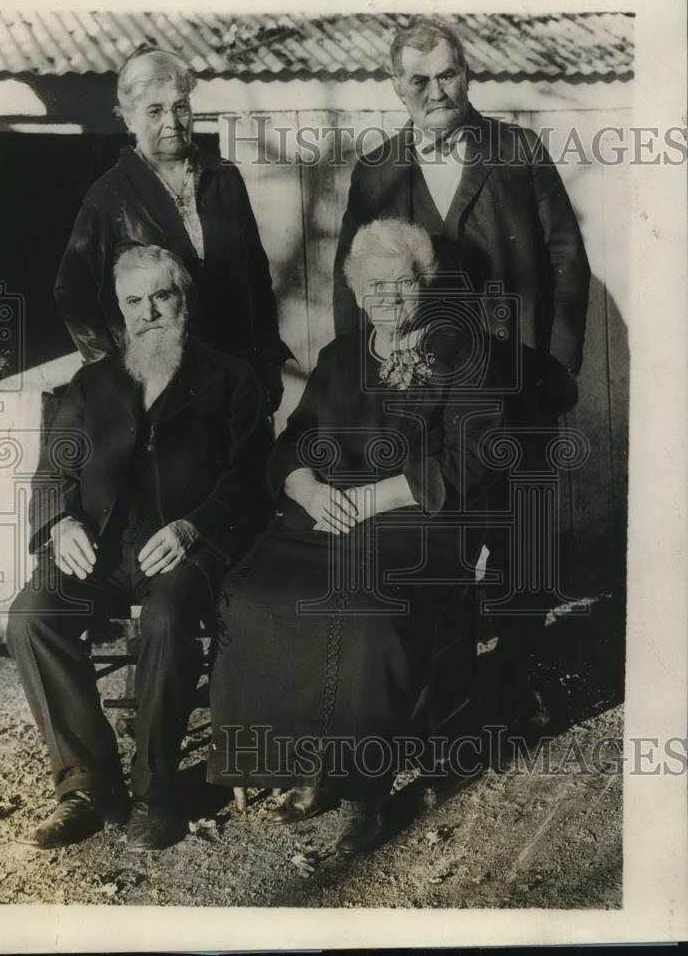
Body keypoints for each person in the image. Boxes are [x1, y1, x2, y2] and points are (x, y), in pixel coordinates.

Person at [208, 220, 503, 855]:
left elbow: (471, 458)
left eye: (402, 284)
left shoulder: (461, 354)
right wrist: (308, 489)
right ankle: (303, 762)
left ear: (424, 288)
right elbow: (292, 441)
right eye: (374, 287)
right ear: (357, 292)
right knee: (253, 598)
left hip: (413, 524)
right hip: (327, 515)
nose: (388, 299)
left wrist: (374, 496)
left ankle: (363, 786)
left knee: (365, 614)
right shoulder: (341, 357)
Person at [333, 18, 591, 726]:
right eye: (417, 79)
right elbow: (348, 281)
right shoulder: (378, 169)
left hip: (518, 383)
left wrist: (556, 370)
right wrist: (365, 385)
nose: (434, 90)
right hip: (426, 395)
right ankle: (440, 687)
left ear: (467, 74)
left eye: (446, 74)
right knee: (437, 528)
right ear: (395, 87)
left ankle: (512, 680)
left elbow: (568, 264)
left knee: (521, 532)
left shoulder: (518, 152)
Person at [7, 246, 272, 852]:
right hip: (98, 550)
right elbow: (53, 474)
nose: (149, 312)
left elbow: (251, 480)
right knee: (31, 617)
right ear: (120, 312)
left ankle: (155, 791)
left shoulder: (230, 379)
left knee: (168, 616)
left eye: (162, 295)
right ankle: (85, 784)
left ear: (186, 300)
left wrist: (193, 528)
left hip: (186, 550)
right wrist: (60, 526)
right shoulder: (92, 381)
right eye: (134, 301)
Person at [54, 46, 292, 412]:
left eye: (180, 106)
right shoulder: (110, 193)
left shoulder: (224, 179)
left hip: (234, 379)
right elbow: (74, 290)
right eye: (155, 110)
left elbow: (256, 279)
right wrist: (112, 372)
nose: (172, 122)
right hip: (157, 386)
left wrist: (268, 361)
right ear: (129, 119)